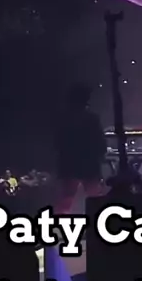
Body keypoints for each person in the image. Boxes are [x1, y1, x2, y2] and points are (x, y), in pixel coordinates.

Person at [54, 83, 107, 213]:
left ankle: (60, 224)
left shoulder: (63, 119)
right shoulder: (91, 119)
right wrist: (100, 154)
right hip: (88, 164)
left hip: (70, 164)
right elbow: (99, 141)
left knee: (66, 201)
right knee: (95, 198)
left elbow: (58, 142)